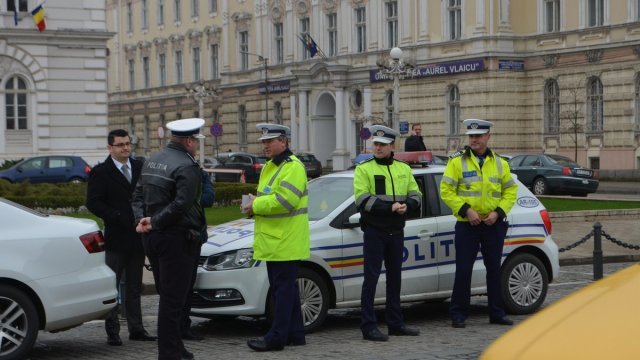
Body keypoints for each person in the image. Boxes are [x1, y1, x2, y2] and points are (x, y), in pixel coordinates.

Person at [132, 118, 207, 360]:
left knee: (168, 295)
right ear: (188, 141)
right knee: (174, 300)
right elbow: (183, 204)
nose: (196, 145)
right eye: (195, 141)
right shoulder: (187, 165)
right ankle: (169, 353)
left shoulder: (152, 160)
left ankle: (176, 347)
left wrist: (142, 220)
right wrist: (155, 221)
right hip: (176, 238)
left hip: (152, 237)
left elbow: (137, 195)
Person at [440, 118, 518, 329]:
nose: (474, 139)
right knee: (463, 270)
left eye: (478, 136)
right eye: (471, 136)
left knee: (494, 270)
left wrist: (499, 213)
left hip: (493, 223)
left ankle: (496, 312)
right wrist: (467, 210)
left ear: (488, 137)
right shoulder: (456, 161)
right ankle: (458, 314)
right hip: (468, 224)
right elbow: (446, 191)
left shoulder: (500, 163)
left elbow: (511, 191)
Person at [86, 129, 156, 346]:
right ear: (110, 148)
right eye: (120, 145)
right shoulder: (101, 172)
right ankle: (112, 332)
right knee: (112, 287)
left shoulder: (138, 167)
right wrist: (115, 216)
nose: (126, 148)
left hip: (137, 236)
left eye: (128, 143)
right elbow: (93, 202)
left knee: (134, 287)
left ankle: (137, 329)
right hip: (115, 238)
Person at [243, 123, 310, 352]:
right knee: (286, 288)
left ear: (284, 141)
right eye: (263, 142)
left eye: (270, 141)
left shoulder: (293, 167)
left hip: (286, 239)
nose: (265, 146)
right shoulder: (270, 166)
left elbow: (285, 201)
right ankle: (295, 333)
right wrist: (254, 207)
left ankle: (276, 337)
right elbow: (270, 199)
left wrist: (256, 205)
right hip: (276, 238)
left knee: (282, 290)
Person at [353, 125, 422, 342]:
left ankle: (395, 323)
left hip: (396, 231)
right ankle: (368, 326)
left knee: (395, 279)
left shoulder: (403, 168)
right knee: (370, 280)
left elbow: (416, 195)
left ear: (393, 146)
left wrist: (406, 205)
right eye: (376, 144)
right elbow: (362, 199)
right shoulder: (364, 169)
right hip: (375, 231)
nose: (378, 148)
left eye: (383, 145)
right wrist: (391, 207)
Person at [181, 169, 214, 341]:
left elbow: (208, 198)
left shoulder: (200, 173)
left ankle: (183, 326)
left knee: (187, 285)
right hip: (176, 235)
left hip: (195, 235)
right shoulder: (176, 171)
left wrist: (194, 201)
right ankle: (173, 327)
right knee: (174, 287)